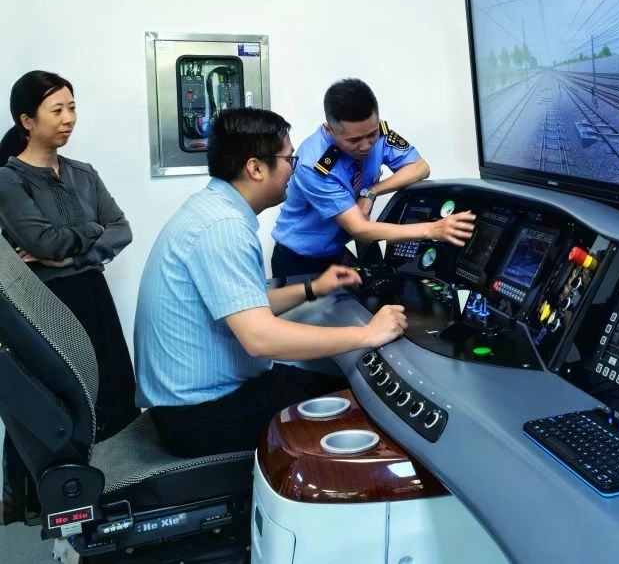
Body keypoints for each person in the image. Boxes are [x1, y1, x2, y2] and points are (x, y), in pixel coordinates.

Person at [133, 108, 408, 457]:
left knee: (338, 384)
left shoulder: (211, 208)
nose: (293, 168)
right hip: (202, 415)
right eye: (288, 158)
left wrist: (313, 288)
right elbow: (260, 338)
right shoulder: (224, 228)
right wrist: (367, 334)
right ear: (256, 168)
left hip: (199, 400)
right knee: (366, 409)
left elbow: (246, 304)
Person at [0, 70, 137, 523]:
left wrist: (70, 252)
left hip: (92, 292)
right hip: (47, 305)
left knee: (113, 386)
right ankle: (44, 500)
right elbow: (43, 242)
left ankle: (116, 482)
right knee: (57, 402)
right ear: (26, 120)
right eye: (56, 109)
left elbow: (122, 230)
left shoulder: (84, 173)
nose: (68, 118)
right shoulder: (9, 180)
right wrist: (90, 233)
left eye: (72, 107)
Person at [270, 77, 475, 278]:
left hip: (341, 252)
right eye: (354, 140)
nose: (366, 146)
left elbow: (420, 167)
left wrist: (371, 191)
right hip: (300, 260)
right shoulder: (314, 164)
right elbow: (359, 228)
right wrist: (433, 229)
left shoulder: (378, 133)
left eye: (372, 135)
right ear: (329, 129)